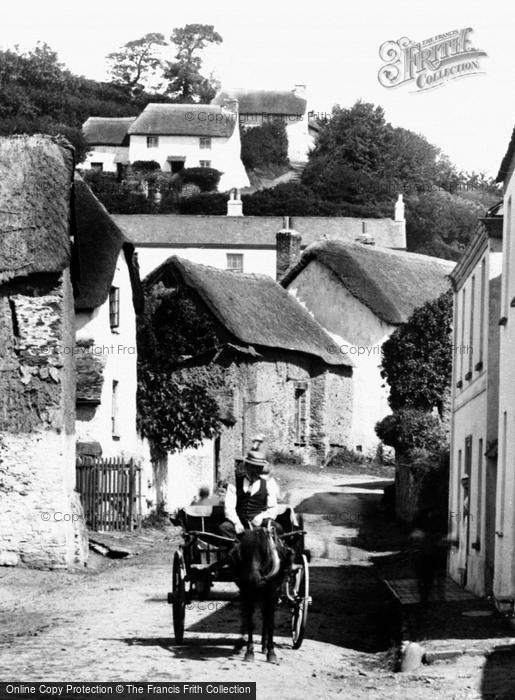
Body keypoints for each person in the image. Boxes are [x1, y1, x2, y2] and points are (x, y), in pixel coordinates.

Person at [219, 449, 283, 538]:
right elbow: (229, 508)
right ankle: (235, 550)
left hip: (258, 522)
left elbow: (272, 508)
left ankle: (274, 551)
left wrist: (260, 518)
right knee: (225, 527)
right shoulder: (234, 484)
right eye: (253, 467)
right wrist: (236, 522)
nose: (256, 471)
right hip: (240, 521)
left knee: (277, 528)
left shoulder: (268, 484)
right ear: (247, 466)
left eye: (259, 467)